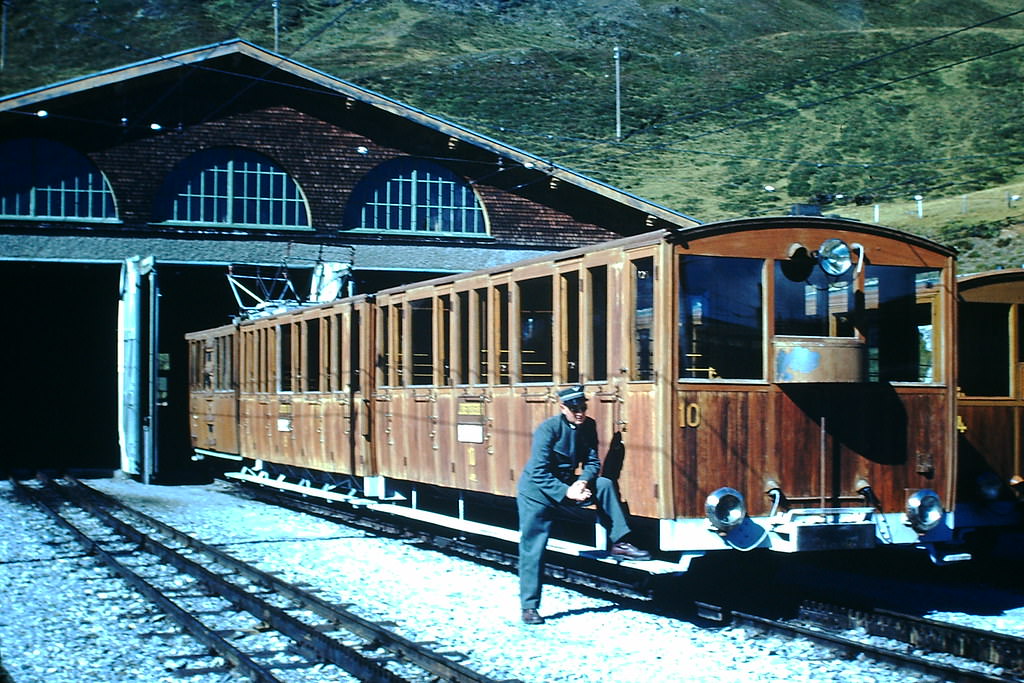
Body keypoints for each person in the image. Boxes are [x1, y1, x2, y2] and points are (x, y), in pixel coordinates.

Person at [516, 385, 650, 625]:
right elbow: (538, 472)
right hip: (537, 494)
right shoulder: (548, 430)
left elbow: (591, 461)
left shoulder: (588, 426)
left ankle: (619, 542)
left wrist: (582, 482)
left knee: (606, 485)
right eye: (574, 408)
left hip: (570, 487)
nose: (580, 412)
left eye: (583, 407)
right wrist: (567, 490)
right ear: (562, 407)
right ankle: (529, 607)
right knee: (533, 549)